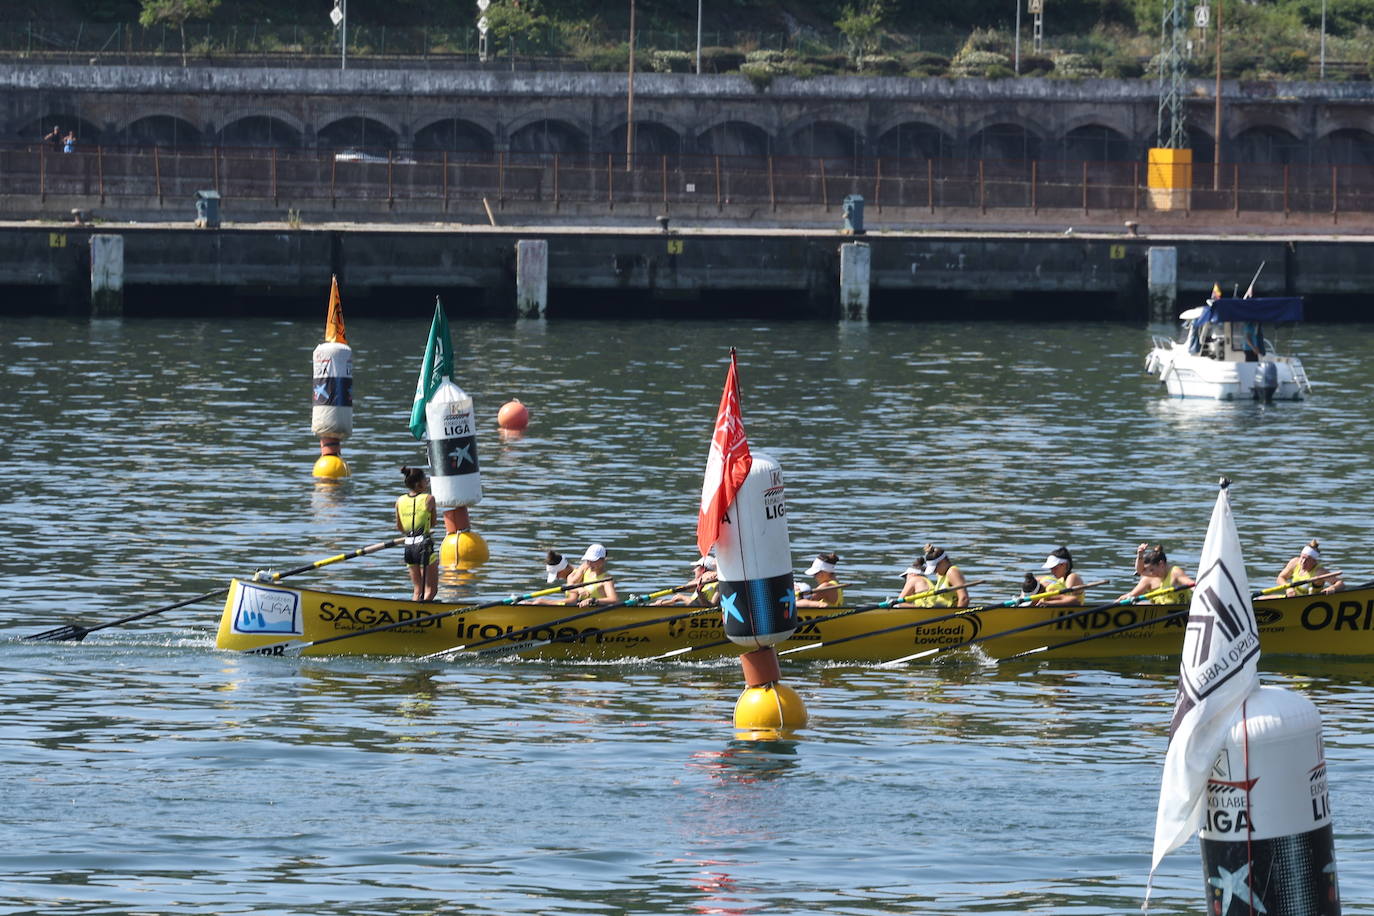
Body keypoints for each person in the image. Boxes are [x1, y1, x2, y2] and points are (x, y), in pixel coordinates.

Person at [395, 465, 438, 601]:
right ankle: (422, 619)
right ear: (419, 483)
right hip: (423, 546)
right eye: (426, 479)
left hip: (408, 546)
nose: (427, 482)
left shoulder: (399, 501)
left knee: (417, 590)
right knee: (430, 590)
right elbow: (433, 524)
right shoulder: (429, 499)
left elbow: (400, 528)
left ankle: (413, 616)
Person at [1118, 543, 1195, 604]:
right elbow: (1140, 571)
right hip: (1164, 609)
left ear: (1161, 564)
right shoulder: (1155, 575)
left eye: (1152, 569)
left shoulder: (1175, 572)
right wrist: (1140, 555)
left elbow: (1192, 585)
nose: (1151, 574)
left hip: (1180, 609)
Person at [898, 544, 969, 608]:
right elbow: (934, 555)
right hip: (938, 611)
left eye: (935, 568)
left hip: (949, 615)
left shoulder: (952, 572)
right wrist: (929, 552)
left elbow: (964, 598)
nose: (934, 572)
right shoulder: (941, 574)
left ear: (942, 562)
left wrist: (957, 618)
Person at [1277, 539, 1344, 596]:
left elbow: (1340, 584)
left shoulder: (1319, 572)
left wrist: (1332, 588)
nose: (1303, 562)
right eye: (1302, 557)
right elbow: (1280, 577)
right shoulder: (1294, 562)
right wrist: (1288, 588)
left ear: (1314, 561)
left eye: (1307, 560)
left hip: (1309, 600)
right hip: (1292, 598)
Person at [653, 555, 719, 606]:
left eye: (696, 567)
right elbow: (687, 588)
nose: (694, 570)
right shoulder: (700, 583)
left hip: (702, 614)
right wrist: (664, 603)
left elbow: (709, 608)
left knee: (681, 597)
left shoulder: (718, 584)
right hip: (693, 609)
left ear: (703, 569)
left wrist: (683, 598)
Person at [568, 543, 618, 607]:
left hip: (596, 608)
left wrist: (593, 600)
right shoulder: (585, 568)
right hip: (580, 605)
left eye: (593, 561)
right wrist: (578, 589)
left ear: (603, 560)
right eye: (588, 560)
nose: (590, 564)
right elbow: (570, 586)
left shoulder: (606, 579)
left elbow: (614, 599)